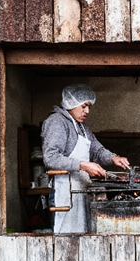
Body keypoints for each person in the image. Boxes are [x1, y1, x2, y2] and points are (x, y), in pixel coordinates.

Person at [41, 83, 131, 234]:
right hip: (65, 194)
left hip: (80, 191)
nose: (87, 111)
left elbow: (96, 150)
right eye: (83, 106)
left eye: (89, 106)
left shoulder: (81, 126)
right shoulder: (57, 122)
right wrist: (83, 165)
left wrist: (113, 158)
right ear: (71, 102)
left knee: (83, 237)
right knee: (66, 239)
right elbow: (51, 158)